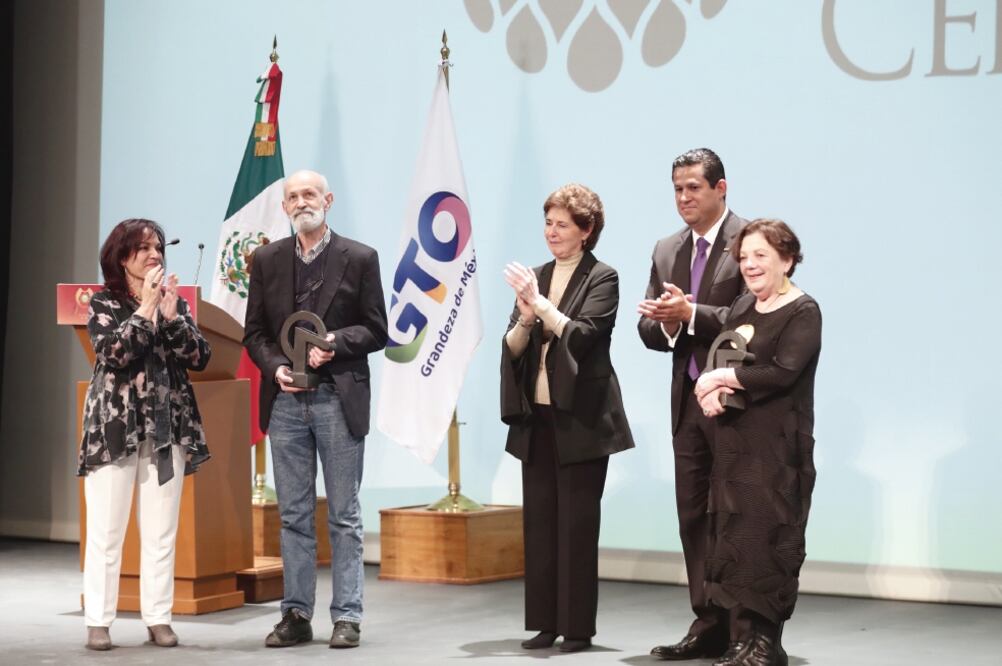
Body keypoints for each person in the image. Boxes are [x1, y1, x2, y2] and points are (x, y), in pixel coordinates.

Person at [244, 170, 387, 650]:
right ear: (284, 207)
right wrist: (276, 368)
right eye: (292, 196)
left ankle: (347, 616)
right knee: (293, 515)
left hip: (336, 397)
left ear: (327, 199)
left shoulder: (361, 258)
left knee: (344, 514)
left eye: (309, 194)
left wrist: (334, 344)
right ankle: (296, 614)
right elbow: (255, 333)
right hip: (286, 402)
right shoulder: (266, 259)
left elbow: (375, 330)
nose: (301, 202)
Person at [501, 183, 635, 653]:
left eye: (562, 225)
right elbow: (514, 347)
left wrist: (540, 306)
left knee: (576, 525)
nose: (551, 233)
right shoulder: (537, 276)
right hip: (536, 417)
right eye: (548, 223)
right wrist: (522, 318)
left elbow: (584, 336)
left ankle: (576, 627)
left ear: (586, 231)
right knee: (539, 523)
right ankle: (544, 622)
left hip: (581, 419)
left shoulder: (603, 277)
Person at [78, 218, 211, 651]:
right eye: (144, 248)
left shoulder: (175, 304)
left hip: (166, 428)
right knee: (107, 529)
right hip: (114, 428)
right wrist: (145, 308)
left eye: (158, 247)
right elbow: (114, 352)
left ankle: (159, 617)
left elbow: (200, 355)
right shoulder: (103, 302)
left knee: (160, 530)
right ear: (121, 257)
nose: (155, 255)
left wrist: (171, 316)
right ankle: (99, 619)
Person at [637, 148, 748, 660]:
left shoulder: (750, 241)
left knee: (735, 514)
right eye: (677, 189)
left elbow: (749, 318)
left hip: (735, 403)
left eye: (694, 188)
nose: (684, 198)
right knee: (692, 515)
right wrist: (667, 320)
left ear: (720, 188)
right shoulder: (666, 249)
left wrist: (693, 312)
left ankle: (742, 624)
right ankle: (706, 620)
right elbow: (648, 328)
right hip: (686, 404)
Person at [693, 219, 821, 666]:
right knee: (736, 540)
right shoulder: (744, 305)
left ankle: (767, 645)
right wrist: (714, 394)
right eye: (744, 256)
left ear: (786, 259)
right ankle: (740, 642)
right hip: (734, 443)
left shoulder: (803, 310)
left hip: (777, 449)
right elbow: (723, 352)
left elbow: (783, 372)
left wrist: (722, 378)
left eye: (760, 255)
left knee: (769, 540)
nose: (749, 264)